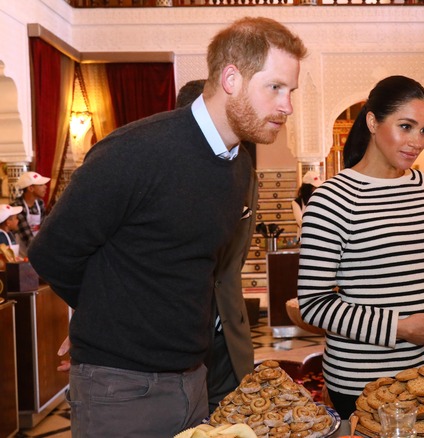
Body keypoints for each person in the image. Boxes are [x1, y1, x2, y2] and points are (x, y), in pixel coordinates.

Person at [27, 17, 307, 437]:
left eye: (292, 92)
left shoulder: (237, 167)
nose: (287, 105)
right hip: (119, 389)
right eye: (276, 88)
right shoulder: (134, 152)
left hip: (193, 380)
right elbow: (52, 252)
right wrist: (108, 319)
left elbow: (200, 271)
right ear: (231, 78)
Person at [296, 75, 424, 420]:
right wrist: (400, 328)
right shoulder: (333, 199)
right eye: (406, 126)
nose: (417, 141)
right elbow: (313, 305)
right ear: (373, 121)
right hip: (367, 379)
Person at [175, 78, 259, 414]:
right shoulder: (154, 172)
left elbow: (231, 262)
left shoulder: (244, 172)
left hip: (227, 335)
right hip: (170, 343)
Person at [12, 171, 50, 257]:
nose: (45, 187)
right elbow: (27, 236)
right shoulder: (18, 206)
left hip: (38, 247)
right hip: (23, 251)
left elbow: (44, 227)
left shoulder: (40, 203)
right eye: (41, 185)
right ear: (31, 188)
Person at [291, 170, 322, 240]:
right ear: (308, 188)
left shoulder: (319, 200)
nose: (317, 190)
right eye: (314, 188)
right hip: (305, 239)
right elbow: (301, 223)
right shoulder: (296, 203)